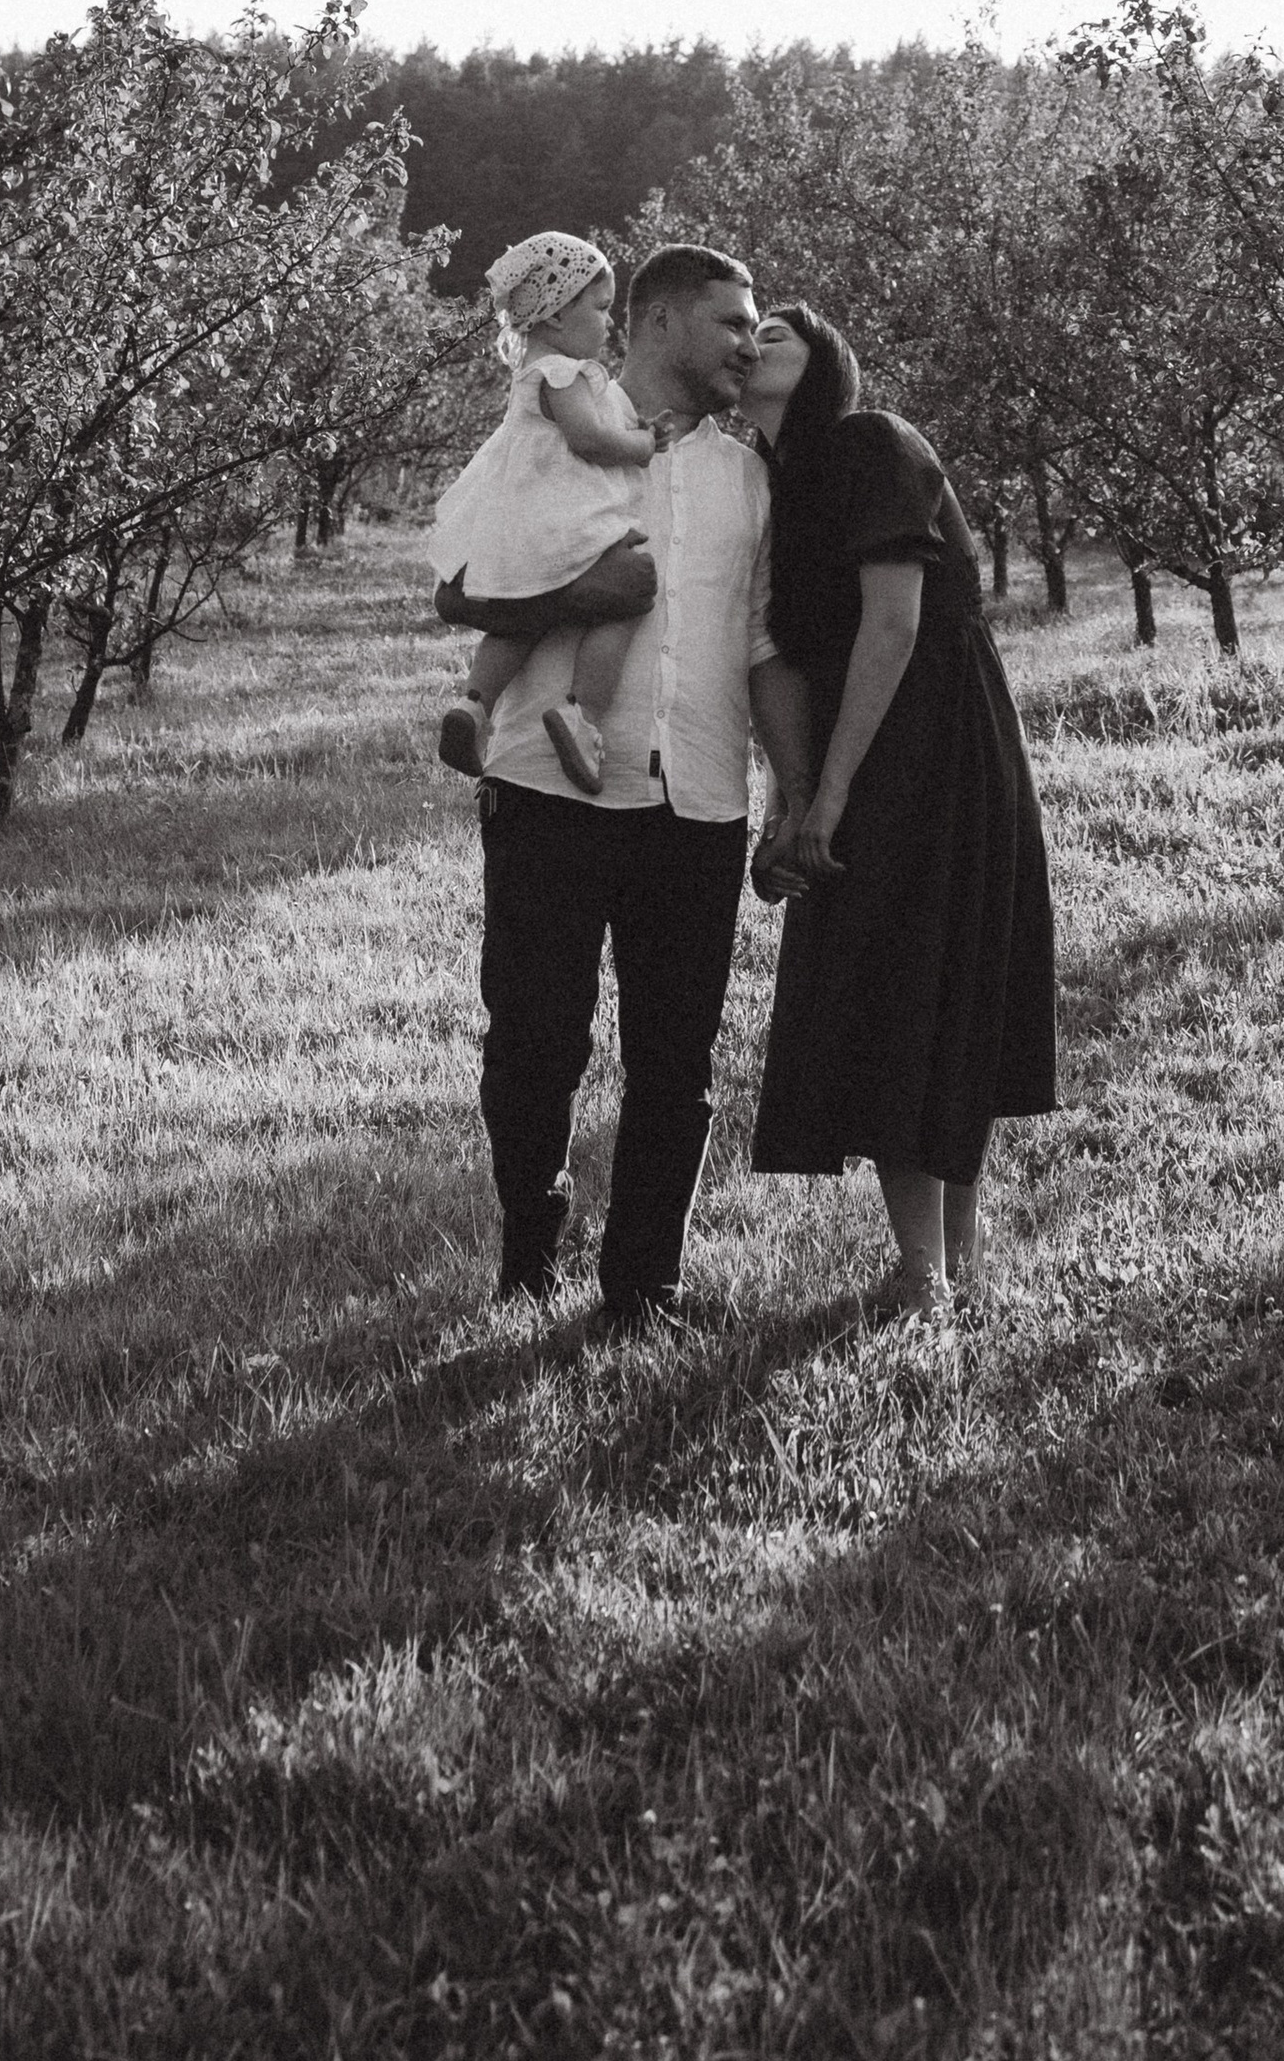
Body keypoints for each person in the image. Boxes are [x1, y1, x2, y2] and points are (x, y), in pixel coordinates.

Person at [436, 243, 812, 1327]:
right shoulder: (554, 437)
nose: (751, 341)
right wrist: (576, 589)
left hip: (695, 795)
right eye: (730, 322)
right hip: (548, 788)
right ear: (652, 323)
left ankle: (644, 1287)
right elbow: (457, 590)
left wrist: (792, 785)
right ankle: (527, 1258)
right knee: (534, 1038)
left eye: (754, 326)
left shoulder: (746, 476)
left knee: (676, 1058)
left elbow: (759, 645)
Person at [743, 302, 1057, 1316]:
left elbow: (894, 618)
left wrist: (833, 788)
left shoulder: (872, 443)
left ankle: (948, 1263)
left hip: (931, 732)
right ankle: (924, 1263)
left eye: (777, 331)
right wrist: (789, 799)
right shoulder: (769, 486)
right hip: (851, 735)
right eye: (740, 331)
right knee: (880, 987)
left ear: (827, 355)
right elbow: (776, 658)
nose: (752, 343)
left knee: (941, 976)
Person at [429, 233, 668, 795]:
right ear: (558, 313)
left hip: (517, 526)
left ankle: (472, 706)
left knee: (526, 615)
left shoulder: (529, 374)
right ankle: (580, 714)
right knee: (627, 598)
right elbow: (588, 440)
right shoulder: (564, 373)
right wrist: (642, 444)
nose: (610, 324)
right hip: (561, 522)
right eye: (602, 308)